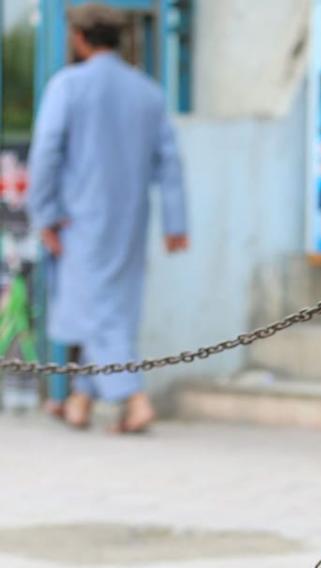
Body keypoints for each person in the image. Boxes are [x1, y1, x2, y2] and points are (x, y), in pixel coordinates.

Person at [27, 3, 188, 434]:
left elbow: (45, 154)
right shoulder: (148, 91)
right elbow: (169, 163)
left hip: (78, 219)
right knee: (108, 308)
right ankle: (81, 399)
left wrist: (44, 213)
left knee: (96, 310)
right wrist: (176, 223)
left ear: (80, 39)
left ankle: (133, 399)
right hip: (130, 220)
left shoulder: (68, 86)